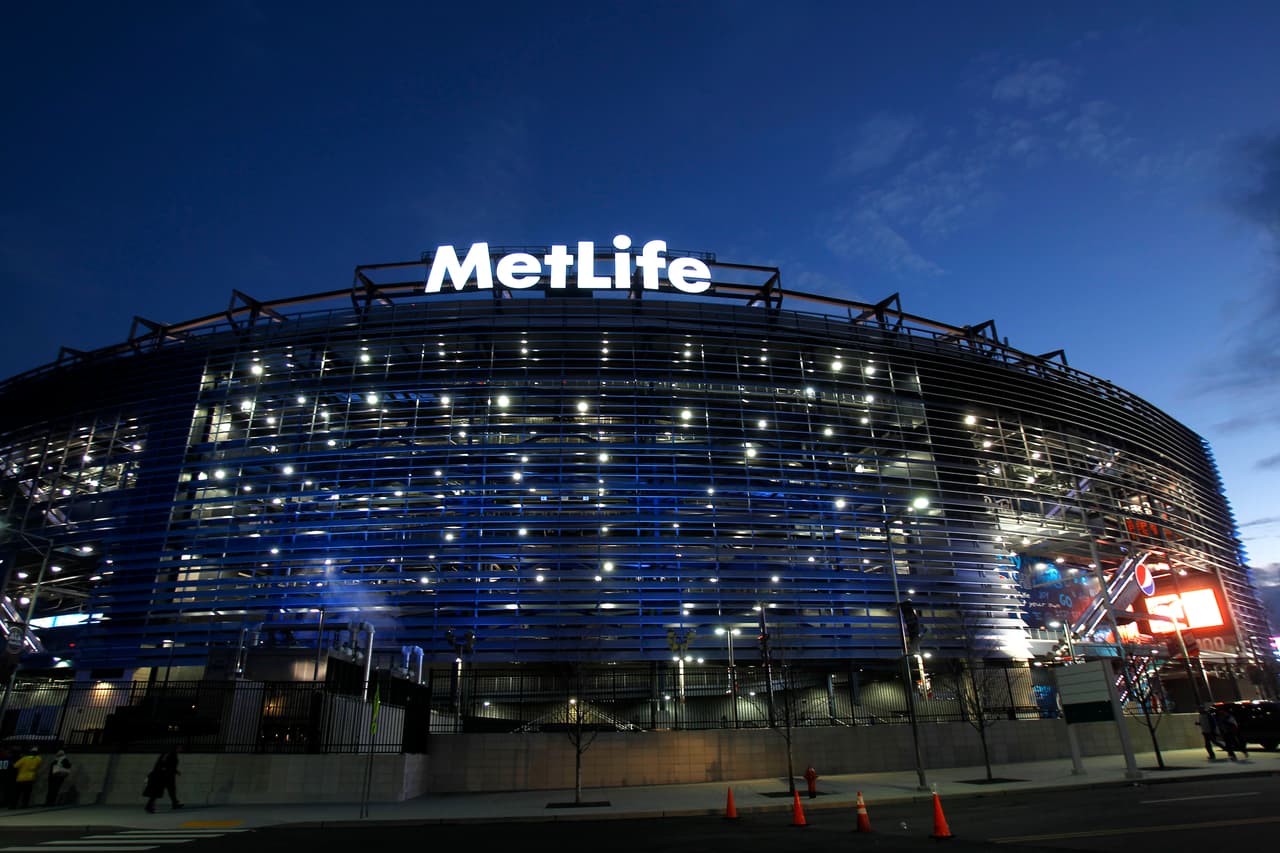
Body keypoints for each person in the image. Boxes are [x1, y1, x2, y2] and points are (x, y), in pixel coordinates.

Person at [143, 747, 182, 813]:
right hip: (164, 776)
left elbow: (169, 765)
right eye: (179, 748)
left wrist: (175, 771)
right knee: (156, 792)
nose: (181, 749)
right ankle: (149, 806)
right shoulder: (169, 754)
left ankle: (175, 803)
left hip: (165, 775)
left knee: (171, 790)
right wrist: (165, 770)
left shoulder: (170, 754)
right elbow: (166, 764)